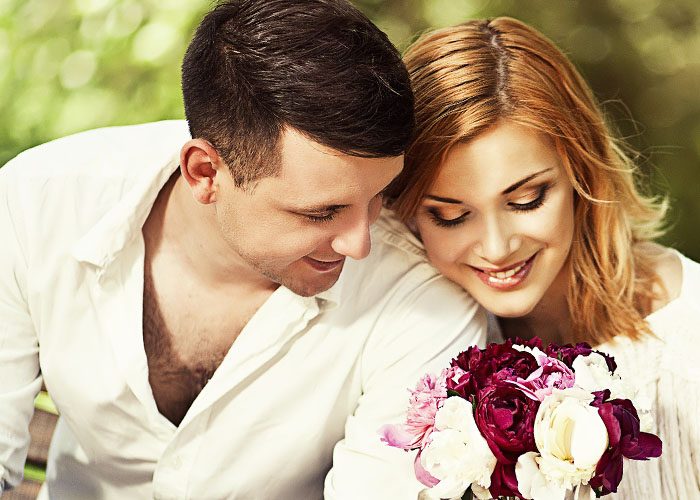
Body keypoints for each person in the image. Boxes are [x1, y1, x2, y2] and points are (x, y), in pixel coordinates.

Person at [0, 1, 487, 498]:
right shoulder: (36, 206)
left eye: (380, 196)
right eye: (321, 213)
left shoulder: (422, 303)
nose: (360, 243)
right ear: (205, 173)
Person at [387, 17, 700, 499]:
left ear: (583, 173)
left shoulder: (688, 350)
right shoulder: (414, 343)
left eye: (527, 199)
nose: (496, 248)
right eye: (450, 216)